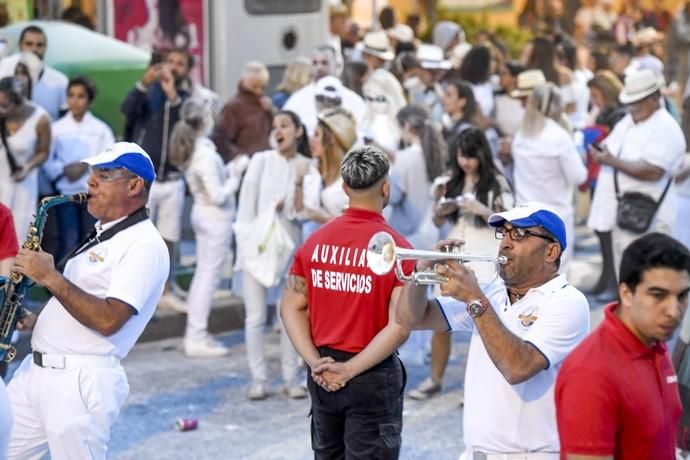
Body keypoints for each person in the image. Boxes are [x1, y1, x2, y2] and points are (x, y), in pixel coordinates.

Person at [6, 142, 169, 459]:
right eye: (93, 173)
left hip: (78, 384)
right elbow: (83, 301)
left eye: (105, 175)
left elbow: (110, 319)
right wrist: (37, 321)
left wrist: (51, 277)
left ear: (135, 185)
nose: (91, 181)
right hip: (36, 374)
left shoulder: (144, 245)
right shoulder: (104, 233)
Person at [396, 202, 590, 458]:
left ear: (551, 251)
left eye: (519, 234)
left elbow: (518, 367)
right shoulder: (492, 293)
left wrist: (474, 299)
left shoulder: (568, 302)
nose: (506, 243)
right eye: (505, 233)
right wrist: (420, 271)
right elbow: (411, 318)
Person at [280, 145, 413, 459]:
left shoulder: (315, 243)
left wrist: (314, 362)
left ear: (344, 188)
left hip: (324, 373)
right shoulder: (397, 249)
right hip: (371, 373)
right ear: (385, 188)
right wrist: (349, 370)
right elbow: (400, 326)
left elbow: (290, 307)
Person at [556, 232, 690, 458]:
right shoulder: (592, 373)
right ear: (626, 294)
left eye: (682, 296)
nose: (673, 311)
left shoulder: (654, 340)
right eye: (658, 295)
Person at [410, 127, 514, 400]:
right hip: (453, 256)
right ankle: (435, 378)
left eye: (471, 156)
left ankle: (478, 387)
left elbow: (510, 221)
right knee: (440, 320)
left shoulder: (496, 183)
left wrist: (481, 210)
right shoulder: (450, 182)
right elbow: (436, 222)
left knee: (483, 324)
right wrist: (441, 211)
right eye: (461, 156)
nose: (466, 162)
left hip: (483, 260)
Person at [235, 110, 311, 400]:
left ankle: (291, 378)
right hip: (258, 250)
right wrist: (246, 248)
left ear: (298, 131)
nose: (279, 131)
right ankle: (259, 379)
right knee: (255, 317)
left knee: (289, 315)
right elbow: (246, 208)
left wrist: (298, 186)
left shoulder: (306, 166)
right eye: (275, 126)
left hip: (290, 252)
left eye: (286, 125)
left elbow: (302, 213)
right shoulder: (260, 161)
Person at [169, 98, 248, 358]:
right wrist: (236, 177)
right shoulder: (203, 153)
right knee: (207, 278)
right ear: (204, 120)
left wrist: (229, 169)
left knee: (203, 276)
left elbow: (213, 180)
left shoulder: (200, 150)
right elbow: (217, 195)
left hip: (206, 216)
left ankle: (196, 333)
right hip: (214, 218)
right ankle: (196, 336)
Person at [590, 69, 685, 275]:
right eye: (630, 103)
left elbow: (653, 171)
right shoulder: (629, 121)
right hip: (624, 216)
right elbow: (608, 147)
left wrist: (611, 160)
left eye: (637, 102)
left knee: (648, 279)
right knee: (626, 278)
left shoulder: (666, 128)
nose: (632, 108)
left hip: (649, 219)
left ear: (654, 98)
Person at [120, 47, 191, 309]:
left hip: (172, 179)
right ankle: (138, 289)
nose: (172, 68)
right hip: (146, 181)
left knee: (169, 237)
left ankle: (166, 288)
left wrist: (172, 93)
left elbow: (184, 122)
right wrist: (145, 82)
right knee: (138, 235)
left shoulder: (182, 98)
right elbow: (126, 109)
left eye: (178, 63)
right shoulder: (146, 95)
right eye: (168, 62)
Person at [512, 83, 587, 273]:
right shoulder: (559, 136)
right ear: (554, 106)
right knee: (556, 273)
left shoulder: (521, 134)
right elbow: (579, 176)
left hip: (523, 217)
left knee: (525, 274)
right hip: (555, 217)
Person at [43, 76, 115, 262]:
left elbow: (110, 160)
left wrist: (86, 166)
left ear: (89, 100)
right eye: (71, 95)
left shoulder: (100, 130)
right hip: (67, 194)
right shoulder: (57, 129)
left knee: (93, 239)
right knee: (69, 240)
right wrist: (65, 170)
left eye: (81, 96)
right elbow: (48, 162)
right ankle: (64, 283)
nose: (75, 101)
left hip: (93, 194)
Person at [0, 76, 51, 244]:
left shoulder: (40, 119)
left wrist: (28, 166)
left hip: (22, 187)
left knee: (18, 237)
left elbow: (44, 151)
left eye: (4, 105)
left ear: (19, 102)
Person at [284, 45, 366, 136]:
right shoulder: (297, 100)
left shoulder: (354, 101)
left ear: (338, 66)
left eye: (324, 63)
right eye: (315, 63)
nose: (319, 68)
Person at [213, 61, 273, 162]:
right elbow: (221, 139)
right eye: (254, 87)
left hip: (266, 163)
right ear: (244, 83)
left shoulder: (265, 106)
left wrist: (271, 113)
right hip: (244, 165)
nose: (258, 91)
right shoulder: (233, 106)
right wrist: (241, 158)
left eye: (262, 87)